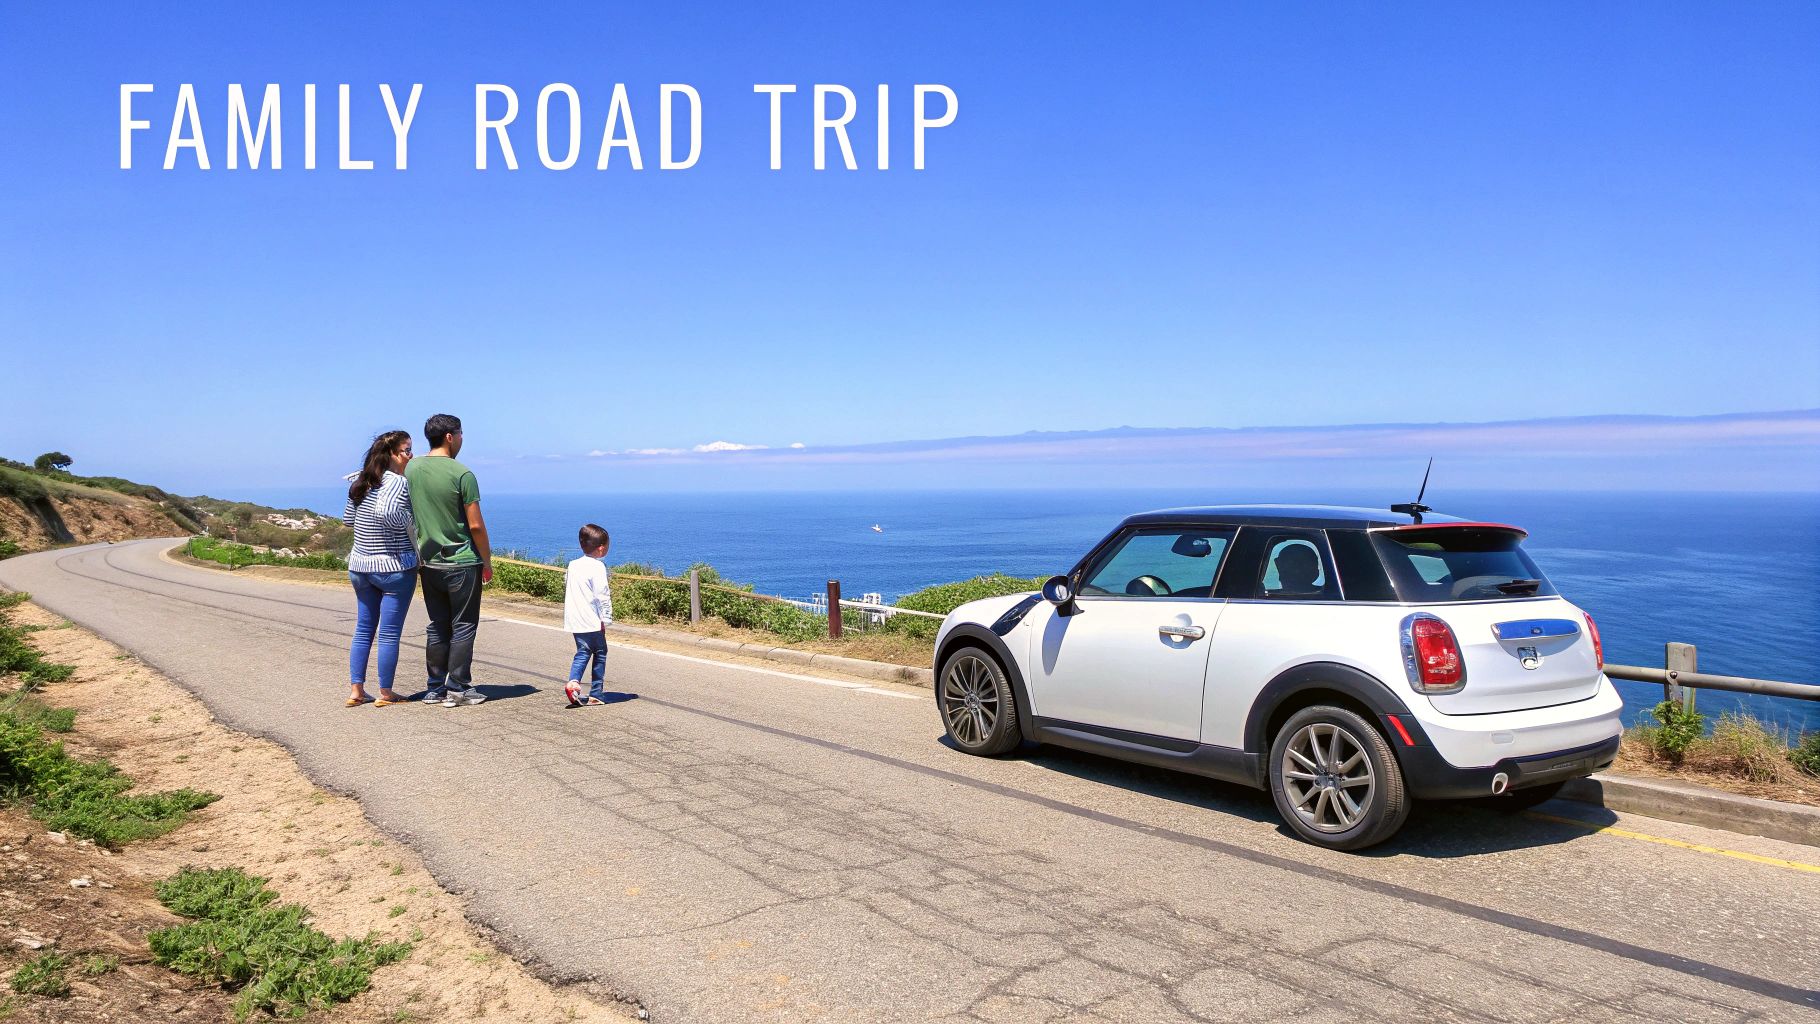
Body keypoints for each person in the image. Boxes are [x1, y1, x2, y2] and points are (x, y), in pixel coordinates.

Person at [404, 413, 493, 707]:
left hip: (428, 562)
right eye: (461, 434)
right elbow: (476, 525)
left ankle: (434, 687)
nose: (463, 440)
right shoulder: (462, 474)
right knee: (464, 624)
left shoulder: (412, 468)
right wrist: (488, 561)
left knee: (438, 624)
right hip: (463, 561)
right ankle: (458, 687)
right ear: (450, 437)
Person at [343, 430, 417, 707]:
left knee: (363, 629)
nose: (411, 456)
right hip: (394, 566)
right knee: (388, 633)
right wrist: (409, 521)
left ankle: (356, 691)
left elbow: (348, 520)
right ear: (393, 455)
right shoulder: (397, 482)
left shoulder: (360, 480)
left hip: (359, 566)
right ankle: (386, 693)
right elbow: (387, 513)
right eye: (407, 450)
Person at [562, 523, 615, 707]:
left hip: (574, 618)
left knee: (583, 651)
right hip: (591, 619)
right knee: (600, 652)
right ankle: (596, 693)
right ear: (601, 549)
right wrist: (606, 618)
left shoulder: (573, 565)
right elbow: (602, 595)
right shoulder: (598, 567)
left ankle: (574, 682)